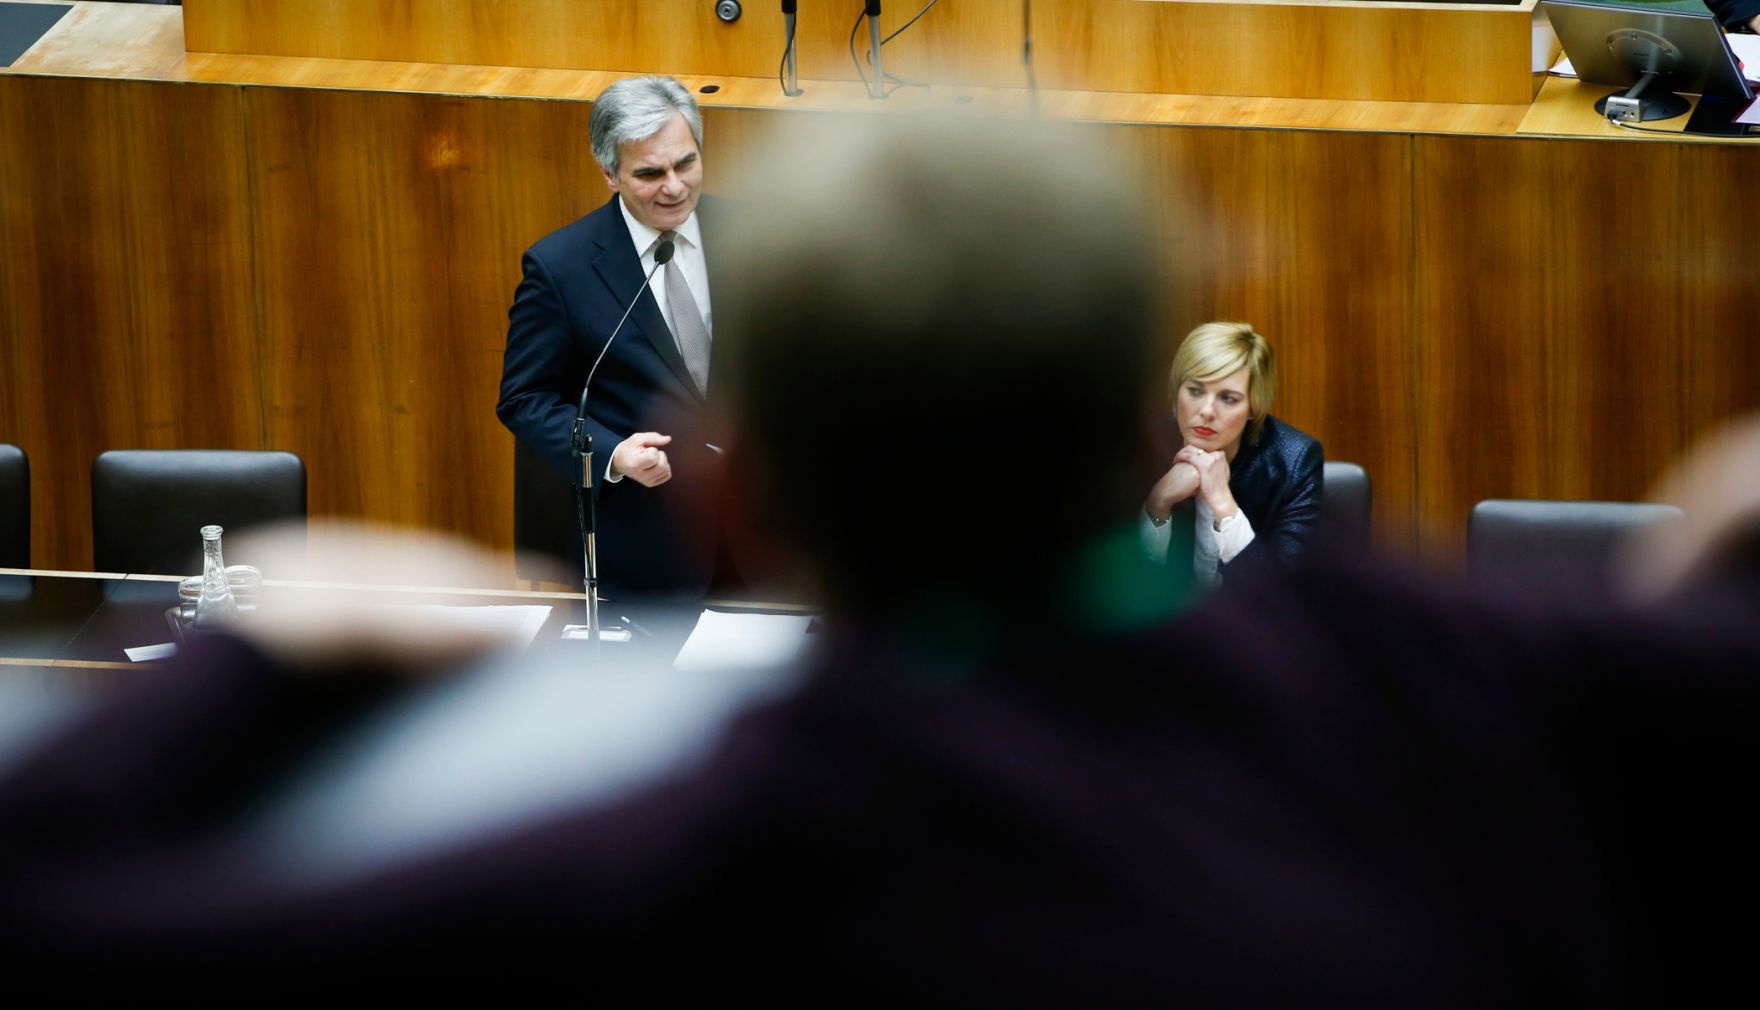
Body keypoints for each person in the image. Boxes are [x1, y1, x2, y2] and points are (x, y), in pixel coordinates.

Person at [2, 114, 1760, 1004]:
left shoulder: (665, 884)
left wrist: (256, 659)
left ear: (738, 505)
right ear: (1140, 417)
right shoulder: (1453, 689)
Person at [497, 75, 726, 600]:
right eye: (650, 173)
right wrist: (614, 452)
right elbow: (526, 398)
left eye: (686, 163)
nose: (674, 187)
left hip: (764, 535)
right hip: (648, 548)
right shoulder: (561, 267)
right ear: (609, 174)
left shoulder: (756, 234)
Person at [1140, 322, 1322, 585]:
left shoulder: (1294, 460)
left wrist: (1223, 504)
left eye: (1228, 398)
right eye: (1195, 391)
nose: (1206, 411)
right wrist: (1158, 502)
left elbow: (1283, 594)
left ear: (1253, 407)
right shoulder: (1145, 447)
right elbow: (1121, 588)